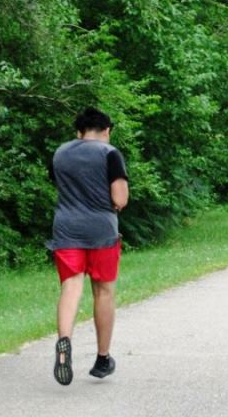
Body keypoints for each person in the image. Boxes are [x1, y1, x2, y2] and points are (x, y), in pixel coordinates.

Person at [47, 107, 129, 386]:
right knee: (103, 291)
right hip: (101, 231)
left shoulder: (60, 153)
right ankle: (102, 359)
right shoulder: (110, 154)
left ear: (79, 132)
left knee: (71, 287)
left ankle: (64, 344)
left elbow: (59, 184)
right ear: (107, 130)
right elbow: (120, 199)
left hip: (66, 228)